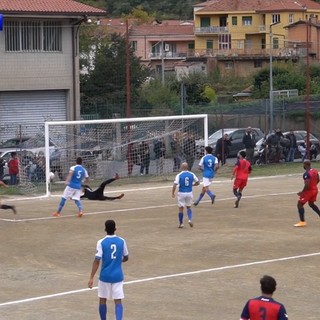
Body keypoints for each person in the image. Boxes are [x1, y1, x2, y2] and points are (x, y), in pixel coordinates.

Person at [88, 219, 129, 320]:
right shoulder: (122, 241)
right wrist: (119, 260)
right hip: (117, 276)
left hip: (105, 276)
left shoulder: (101, 242)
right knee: (118, 301)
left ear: (105, 229)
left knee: (102, 299)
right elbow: (126, 257)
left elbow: (97, 260)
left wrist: (91, 277)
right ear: (115, 229)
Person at [172, 162, 200, 228]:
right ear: (187, 167)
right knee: (189, 207)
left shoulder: (179, 175)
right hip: (189, 193)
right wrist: (192, 185)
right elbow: (198, 182)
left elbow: (175, 184)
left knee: (181, 209)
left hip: (181, 193)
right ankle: (189, 219)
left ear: (181, 167)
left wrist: (173, 193)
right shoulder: (192, 174)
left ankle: (181, 224)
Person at [294, 159, 320, 227]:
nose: (303, 165)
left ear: (306, 165)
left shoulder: (306, 174)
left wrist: (302, 192)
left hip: (309, 191)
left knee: (299, 204)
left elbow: (307, 185)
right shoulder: (315, 171)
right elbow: (318, 180)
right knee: (311, 204)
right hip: (315, 189)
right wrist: (313, 185)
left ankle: (302, 222)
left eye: (303, 164)